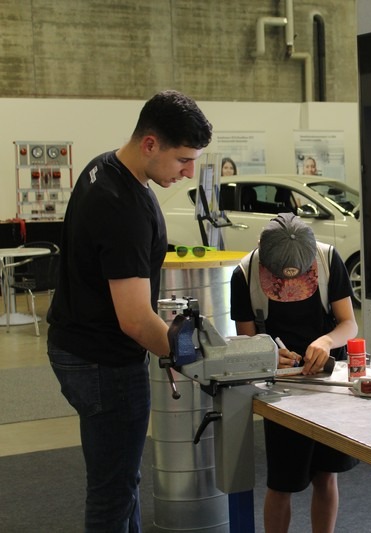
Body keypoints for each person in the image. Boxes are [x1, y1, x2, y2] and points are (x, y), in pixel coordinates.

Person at [46, 90, 213, 532]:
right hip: (103, 363)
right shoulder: (121, 208)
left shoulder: (105, 167)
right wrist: (197, 361)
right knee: (113, 494)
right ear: (150, 144)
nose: (189, 172)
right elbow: (136, 319)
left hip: (79, 346)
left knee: (122, 484)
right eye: (183, 160)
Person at [229, 213, 359, 533]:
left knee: (326, 474)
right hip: (281, 392)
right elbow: (247, 342)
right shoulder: (245, 275)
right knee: (282, 482)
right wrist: (269, 355)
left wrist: (326, 341)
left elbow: (348, 324)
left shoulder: (328, 261)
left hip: (328, 384)